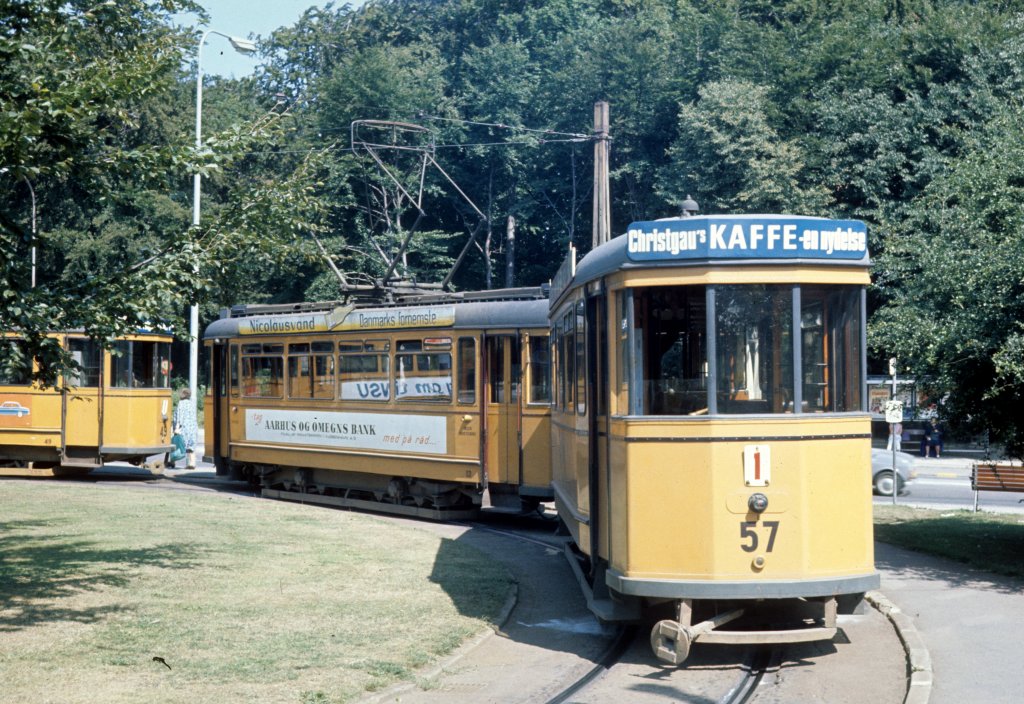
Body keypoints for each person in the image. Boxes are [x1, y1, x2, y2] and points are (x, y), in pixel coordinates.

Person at [173, 388, 199, 469]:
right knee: (191, 447)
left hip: (184, 427)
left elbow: (180, 416)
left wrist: (177, 427)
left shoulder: (181, 403)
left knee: (177, 444)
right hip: (193, 428)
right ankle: (192, 463)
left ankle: (172, 461)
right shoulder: (191, 403)